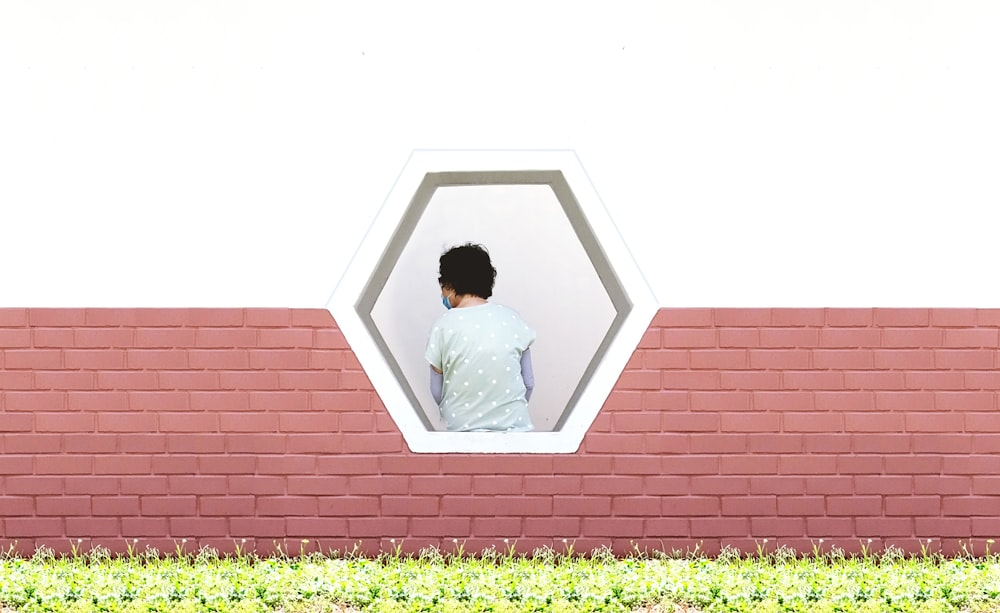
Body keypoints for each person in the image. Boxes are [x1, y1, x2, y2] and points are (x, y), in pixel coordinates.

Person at [424, 243, 536, 432]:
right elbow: (528, 382)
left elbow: (437, 389)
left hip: (461, 429)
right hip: (515, 429)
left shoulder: (443, 325)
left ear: (450, 285)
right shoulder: (512, 318)